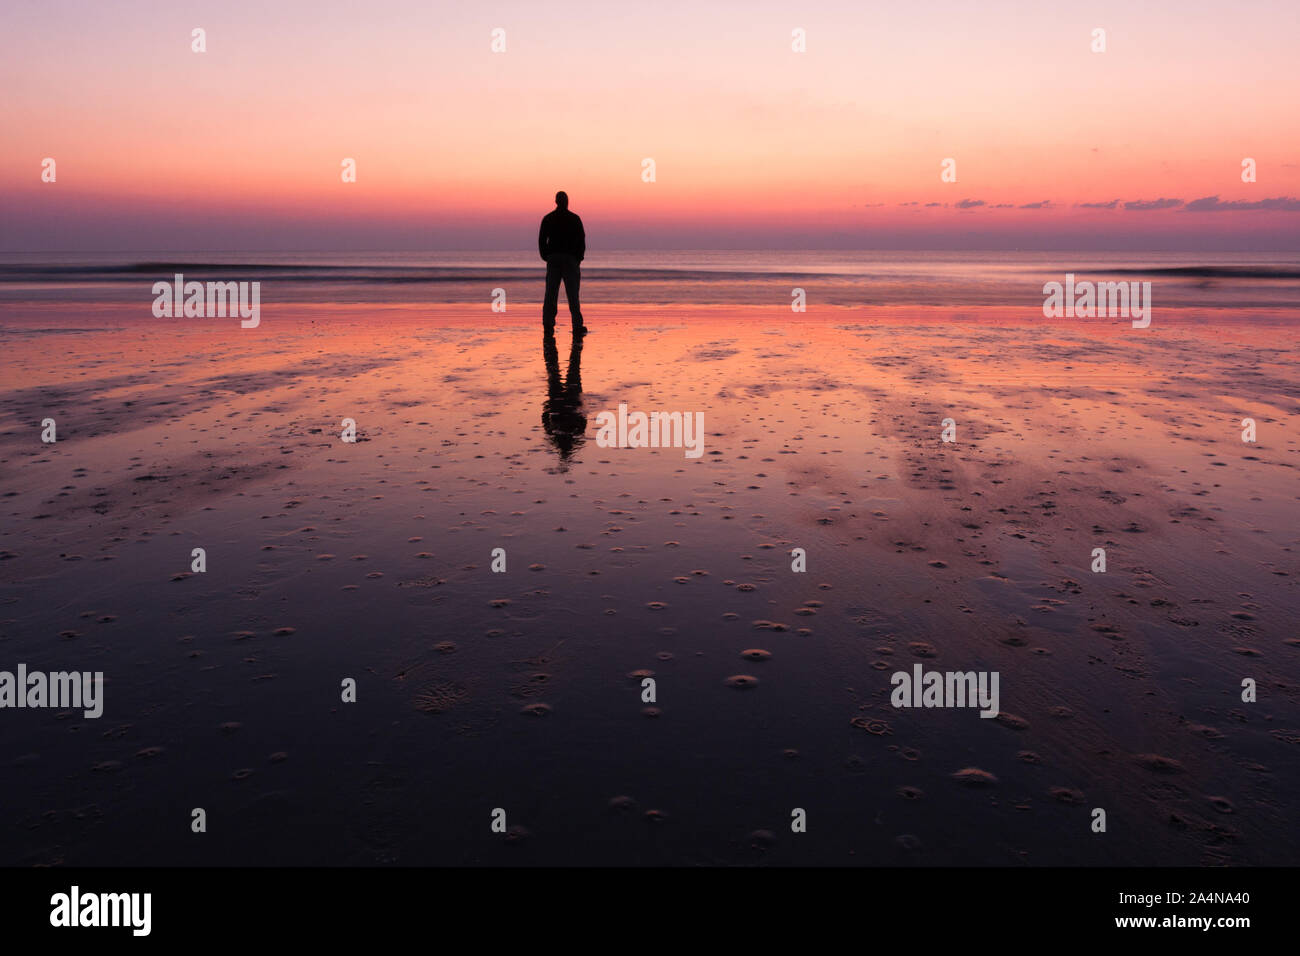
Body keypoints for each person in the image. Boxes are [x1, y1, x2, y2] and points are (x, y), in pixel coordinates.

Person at [538, 191, 587, 334]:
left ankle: (548, 324)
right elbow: (581, 240)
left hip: (555, 258)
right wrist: (578, 258)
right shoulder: (574, 218)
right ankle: (577, 325)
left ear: (556, 202)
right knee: (573, 295)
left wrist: (546, 256)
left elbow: (542, 241)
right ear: (566, 202)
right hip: (569, 259)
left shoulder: (548, 218)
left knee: (551, 294)